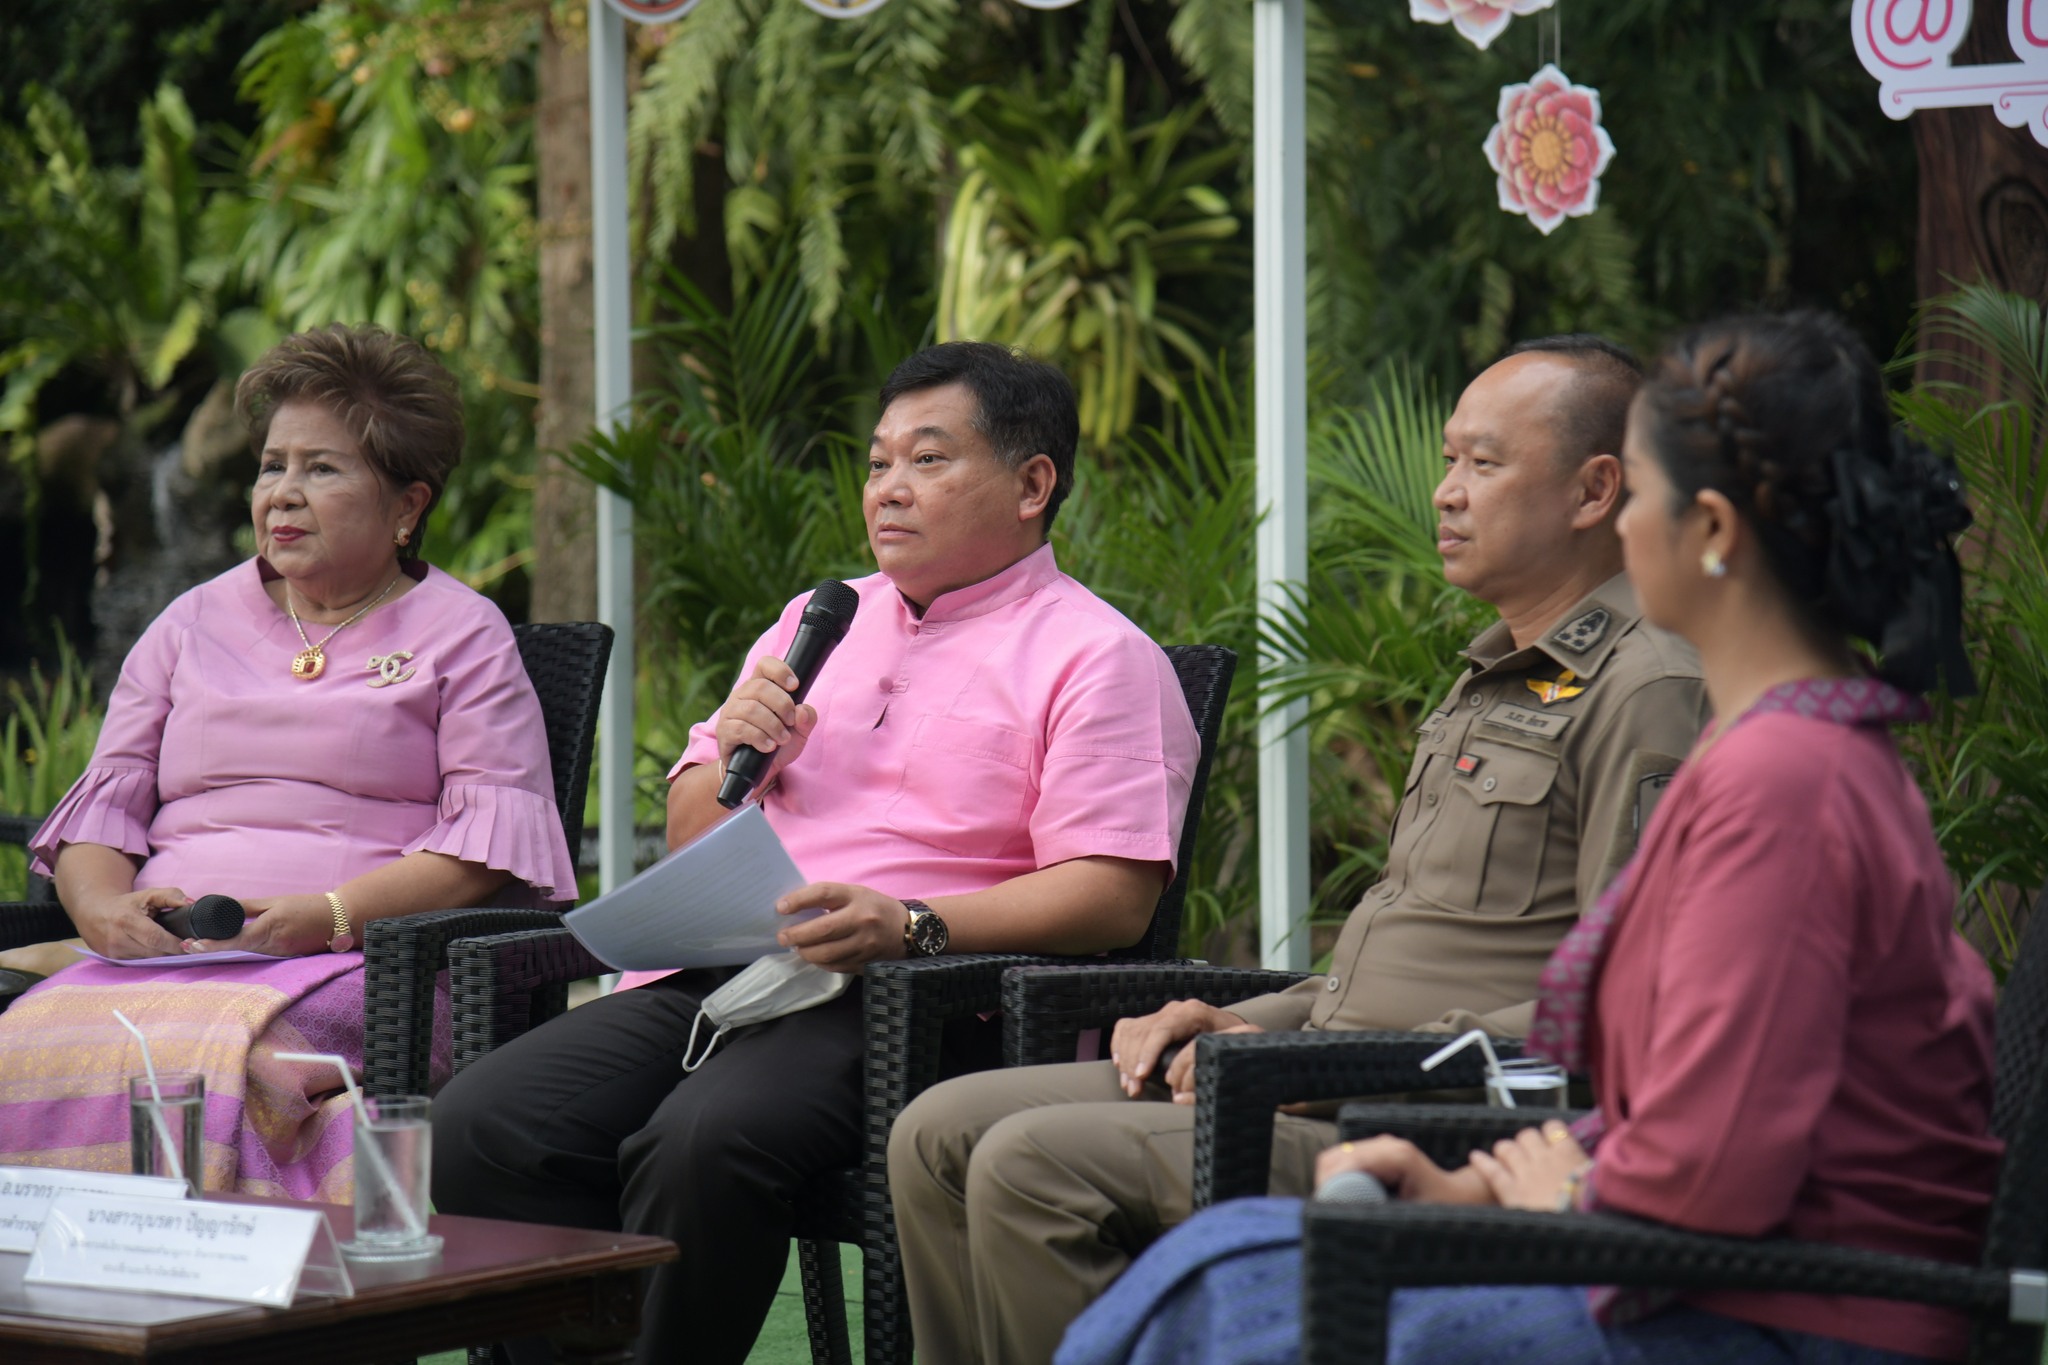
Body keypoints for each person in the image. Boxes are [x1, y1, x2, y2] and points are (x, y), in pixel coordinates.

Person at [1064, 309, 1999, 1365]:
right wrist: (1468, 1182)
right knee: (1228, 1255)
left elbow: (1709, 1173)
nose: (1619, 529)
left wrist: (1559, 1194)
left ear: (1710, 532)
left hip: (1771, 1314)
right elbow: (1694, 1105)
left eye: (1635, 493)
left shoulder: (1781, 783)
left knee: (1221, 1311)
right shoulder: (1782, 750)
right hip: (1689, 1268)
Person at [887, 335, 1713, 1365]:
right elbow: (1392, 952)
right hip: (1314, 1060)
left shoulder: (1646, 692)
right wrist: (1249, 1017)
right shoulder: (1498, 675)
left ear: (1594, 491)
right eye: (1447, 460)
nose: (1446, 492)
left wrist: (1300, 1064)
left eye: (1481, 464)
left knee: (1025, 1163)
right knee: (934, 1130)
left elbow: (1617, 1005)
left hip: (1420, 1111)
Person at [430, 341, 1203, 1365]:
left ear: (1031, 485)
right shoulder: (818, 620)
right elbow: (697, 828)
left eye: (927, 460)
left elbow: (1111, 899)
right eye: (878, 461)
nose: (887, 489)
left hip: (911, 999)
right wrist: (733, 755)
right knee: (481, 1122)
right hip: (728, 969)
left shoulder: (1098, 656)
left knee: (702, 1145)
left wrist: (911, 926)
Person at [0, 324, 576, 1202]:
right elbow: (99, 819)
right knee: (46, 1049)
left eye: (322, 469)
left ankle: (260, 1308)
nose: (283, 495)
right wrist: (104, 909)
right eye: (273, 466)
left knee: (232, 1069)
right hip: (159, 954)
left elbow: (483, 851)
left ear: (406, 505)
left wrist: (327, 915)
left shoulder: (465, 634)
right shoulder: (190, 622)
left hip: (367, 966)